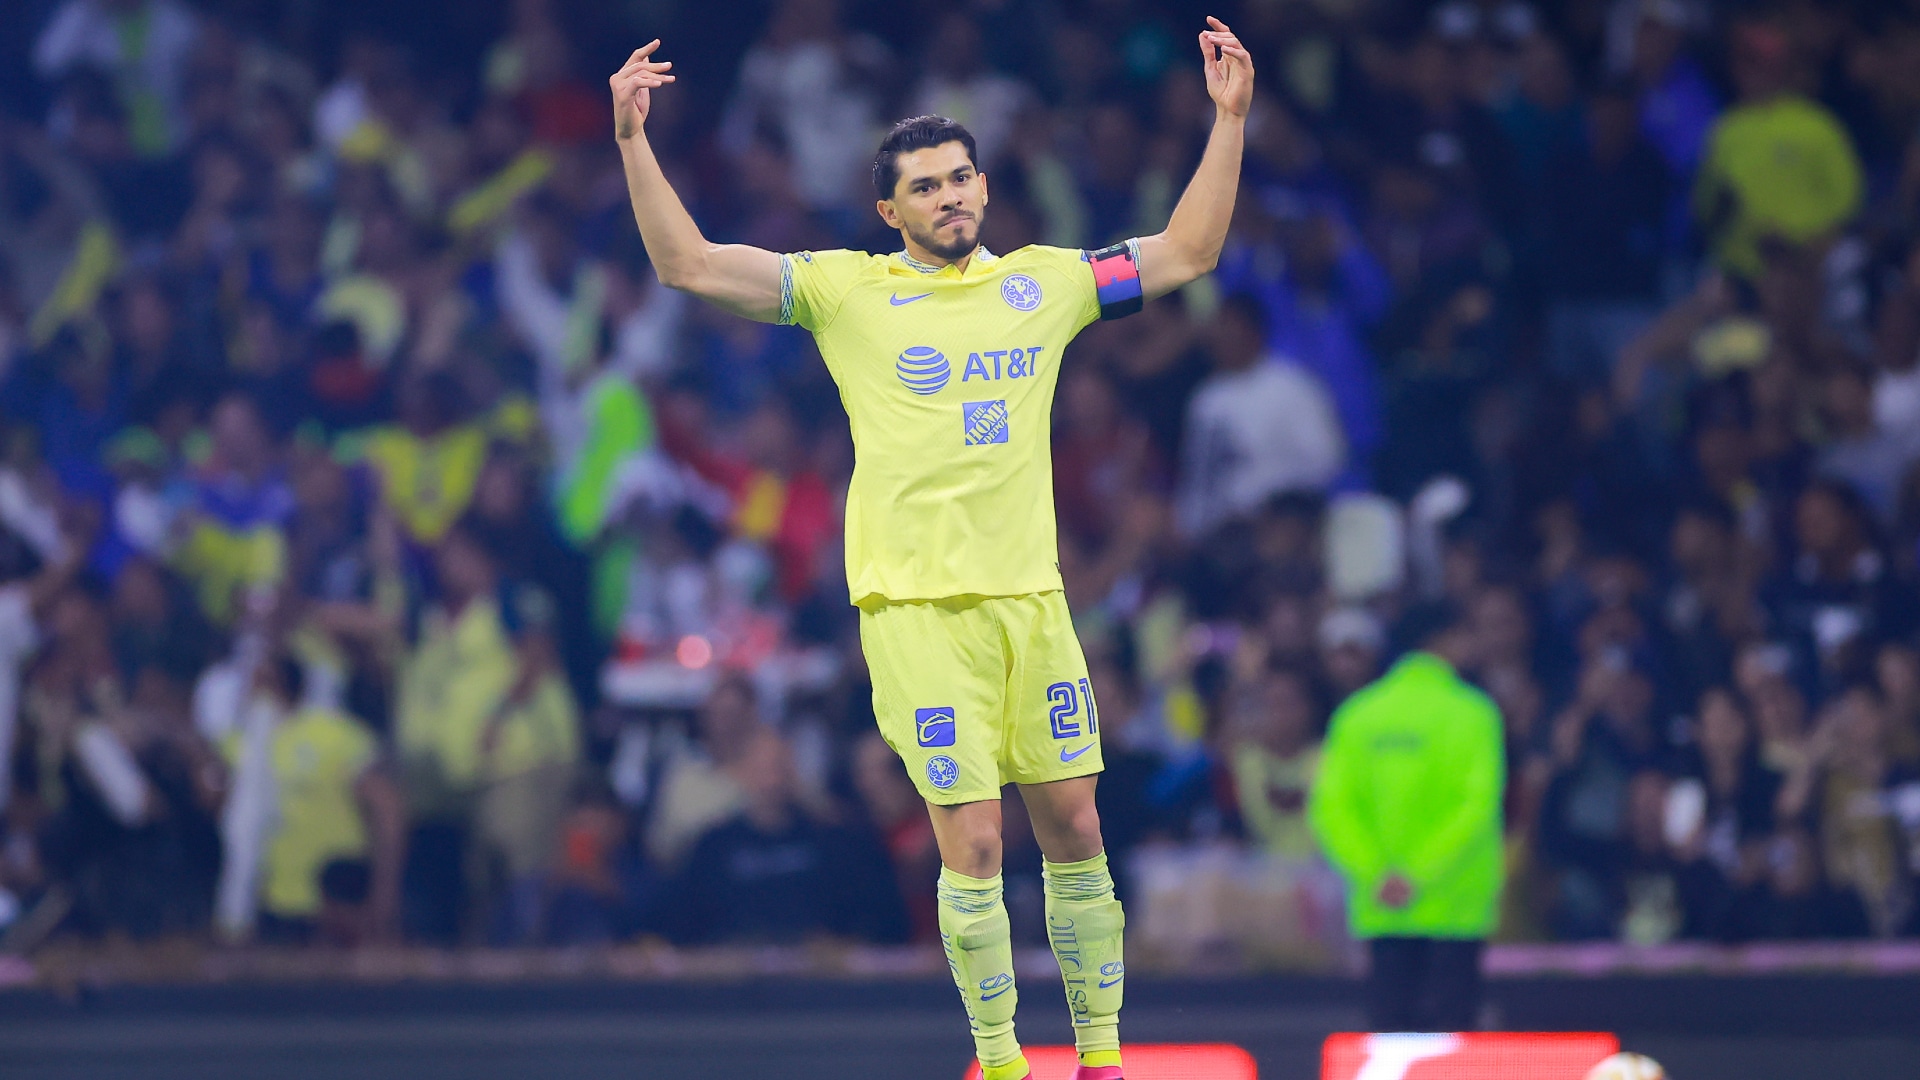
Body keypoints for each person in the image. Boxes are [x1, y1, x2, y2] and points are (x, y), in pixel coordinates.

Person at [608, 19, 1254, 1080]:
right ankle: (1000, 1064)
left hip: (1031, 606)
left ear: (985, 189)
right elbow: (685, 265)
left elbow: (1189, 252)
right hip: (915, 612)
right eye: (926, 186)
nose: (950, 197)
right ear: (889, 210)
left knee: (1079, 829)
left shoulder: (1047, 284)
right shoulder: (844, 290)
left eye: (962, 179)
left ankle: (1100, 1064)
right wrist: (636, 141)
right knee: (978, 844)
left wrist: (1228, 122)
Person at [1308, 605, 1503, 1033]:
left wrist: (1379, 874)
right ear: (1446, 640)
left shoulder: (1358, 715)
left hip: (1383, 908)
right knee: (1451, 1049)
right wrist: (1418, 874)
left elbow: (1331, 809)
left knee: (1391, 1040)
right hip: (1454, 909)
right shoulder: (1473, 713)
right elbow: (1476, 808)